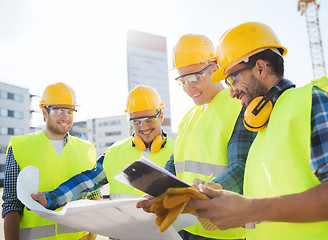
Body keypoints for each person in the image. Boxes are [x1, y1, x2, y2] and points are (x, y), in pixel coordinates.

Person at [187, 22, 328, 240]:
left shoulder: (310, 102)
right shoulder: (262, 132)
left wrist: (249, 209)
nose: (231, 93)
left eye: (233, 79)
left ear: (260, 68)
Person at [138, 34, 256, 240]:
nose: (188, 88)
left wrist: (203, 193)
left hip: (224, 231)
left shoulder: (237, 107)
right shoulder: (188, 119)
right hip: (187, 227)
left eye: (194, 79)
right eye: (182, 81)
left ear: (215, 69)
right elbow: (176, 163)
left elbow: (242, 169)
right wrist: (159, 190)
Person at [31, 85, 175, 208]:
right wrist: (50, 199)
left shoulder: (178, 151)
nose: (143, 127)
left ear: (161, 117)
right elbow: (85, 183)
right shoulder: (115, 152)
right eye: (137, 122)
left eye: (149, 120)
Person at [2, 82, 100, 240]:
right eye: (59, 110)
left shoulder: (86, 149)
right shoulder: (20, 147)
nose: (66, 117)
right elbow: (11, 203)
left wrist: (91, 236)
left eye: (70, 111)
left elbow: (94, 196)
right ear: (44, 112)